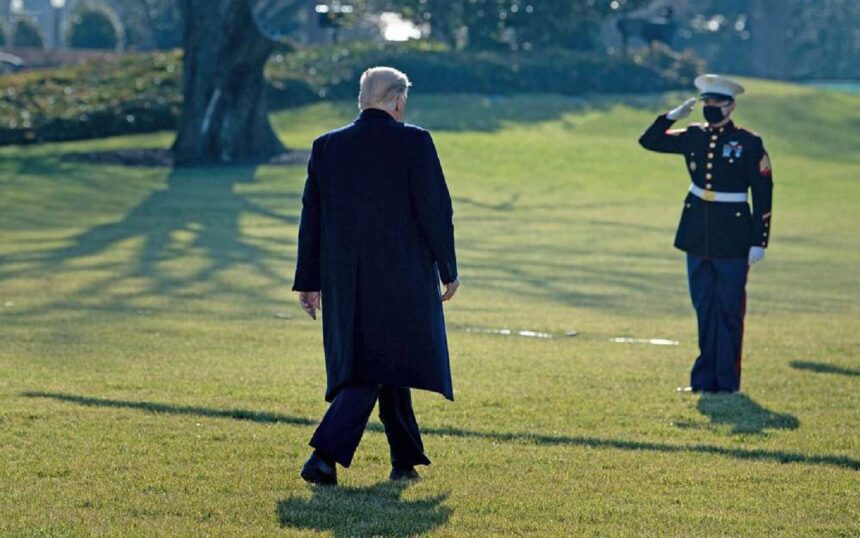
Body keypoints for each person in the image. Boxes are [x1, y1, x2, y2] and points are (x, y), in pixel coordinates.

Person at [292, 67, 461, 486]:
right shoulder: (414, 142)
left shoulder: (326, 146)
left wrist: (309, 281)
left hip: (345, 282)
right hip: (401, 278)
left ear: (362, 100)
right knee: (375, 364)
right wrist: (448, 268)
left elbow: (311, 219)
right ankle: (324, 457)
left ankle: (406, 457)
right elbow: (435, 210)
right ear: (398, 100)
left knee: (385, 358)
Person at [638, 74, 773, 393]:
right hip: (697, 232)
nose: (711, 107)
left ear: (731, 106)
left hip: (733, 236)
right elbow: (649, 141)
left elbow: (763, 193)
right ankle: (702, 381)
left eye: (717, 102)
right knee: (704, 308)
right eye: (707, 102)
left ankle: (727, 383)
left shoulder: (749, 142)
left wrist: (759, 240)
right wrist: (671, 117)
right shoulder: (694, 135)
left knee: (729, 310)